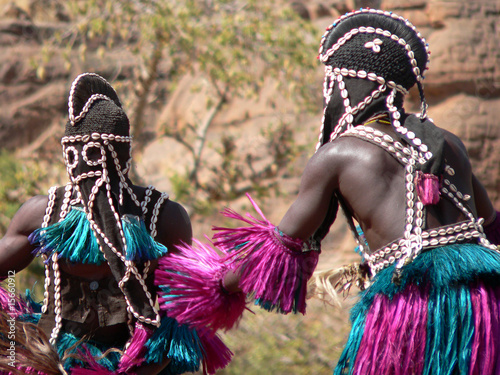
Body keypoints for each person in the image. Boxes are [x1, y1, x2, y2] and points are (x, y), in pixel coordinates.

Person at [156, 8, 500, 374]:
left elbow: (282, 245)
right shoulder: (447, 142)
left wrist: (214, 287)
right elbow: (491, 227)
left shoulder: (341, 152)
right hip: (484, 302)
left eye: (332, 83)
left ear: (349, 84)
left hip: (412, 303)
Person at [0, 73, 235, 374]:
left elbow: (180, 311)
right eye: (78, 156)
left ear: (119, 156)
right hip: (51, 360)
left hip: (136, 364)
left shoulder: (163, 218)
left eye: (95, 155)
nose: (89, 170)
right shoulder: (45, 212)